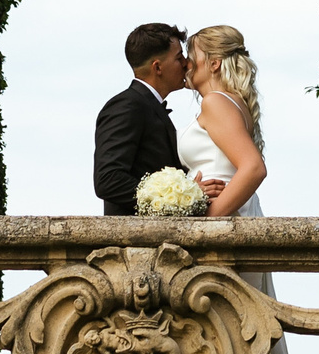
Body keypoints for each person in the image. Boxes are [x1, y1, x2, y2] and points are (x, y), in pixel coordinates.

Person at [179, 23, 319, 354]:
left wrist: (212, 215)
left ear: (213, 63)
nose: (186, 61)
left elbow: (253, 167)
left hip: (230, 234)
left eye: (192, 54)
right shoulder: (231, 102)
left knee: (233, 348)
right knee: (248, 348)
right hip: (241, 223)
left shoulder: (215, 103)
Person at [92, 22, 223, 216]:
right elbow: (108, 180)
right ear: (158, 67)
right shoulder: (126, 106)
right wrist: (185, 197)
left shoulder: (146, 106)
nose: (187, 63)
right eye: (179, 58)